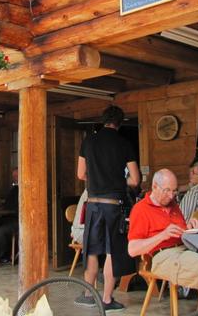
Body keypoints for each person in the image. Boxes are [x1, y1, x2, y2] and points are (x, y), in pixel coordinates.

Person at [128, 169, 198, 306]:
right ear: (154, 187)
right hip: (163, 257)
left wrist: (189, 227)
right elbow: (132, 250)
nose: (171, 196)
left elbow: (180, 232)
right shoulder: (141, 209)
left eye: (175, 191)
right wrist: (162, 235)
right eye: (167, 190)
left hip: (185, 249)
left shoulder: (174, 206)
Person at [76, 105, 140, 312]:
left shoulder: (88, 141)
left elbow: (80, 174)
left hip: (93, 204)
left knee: (92, 251)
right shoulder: (124, 143)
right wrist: (120, 180)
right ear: (119, 123)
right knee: (113, 252)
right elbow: (135, 179)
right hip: (114, 206)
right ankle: (106, 299)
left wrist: (94, 178)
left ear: (102, 120)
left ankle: (88, 294)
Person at [0, 168, 19, 263]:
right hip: (8, 218)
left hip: (18, 221)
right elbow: (8, 203)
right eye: (14, 176)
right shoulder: (14, 189)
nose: (15, 178)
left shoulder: (24, 190)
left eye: (17, 176)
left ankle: (4, 255)